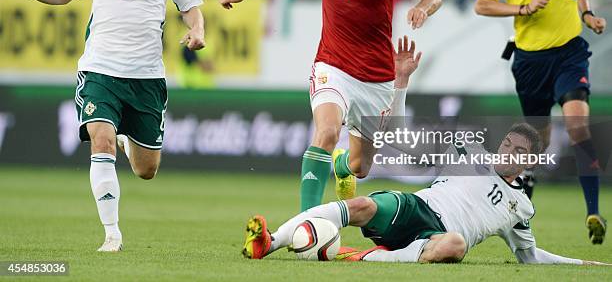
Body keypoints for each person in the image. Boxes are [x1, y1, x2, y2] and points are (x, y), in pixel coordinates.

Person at [7, 0, 205, 252]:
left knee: (146, 170)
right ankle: (112, 233)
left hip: (146, 76)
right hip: (100, 71)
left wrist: (197, 30)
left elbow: (190, 6)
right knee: (100, 140)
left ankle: (127, 137)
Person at [220, 0, 441, 211]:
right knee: (326, 132)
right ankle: (307, 220)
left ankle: (341, 168)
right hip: (332, 66)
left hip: (377, 78)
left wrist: (422, 8)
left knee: (361, 167)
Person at [241, 123, 609, 266]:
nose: (506, 151)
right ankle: (270, 242)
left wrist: (581, 264)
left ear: (528, 162)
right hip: (419, 206)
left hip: (438, 235)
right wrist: (401, 81)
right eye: (506, 143)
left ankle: (356, 257)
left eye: (517, 151)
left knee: (456, 246)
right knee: (361, 204)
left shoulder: (521, 206)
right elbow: (402, 137)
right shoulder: (468, 151)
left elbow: (529, 258)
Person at [474, 0, 607, 244]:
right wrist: (523, 8)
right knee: (538, 142)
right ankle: (519, 213)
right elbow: (482, 4)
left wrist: (586, 14)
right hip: (531, 61)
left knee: (578, 124)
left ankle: (593, 210)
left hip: (570, 53)